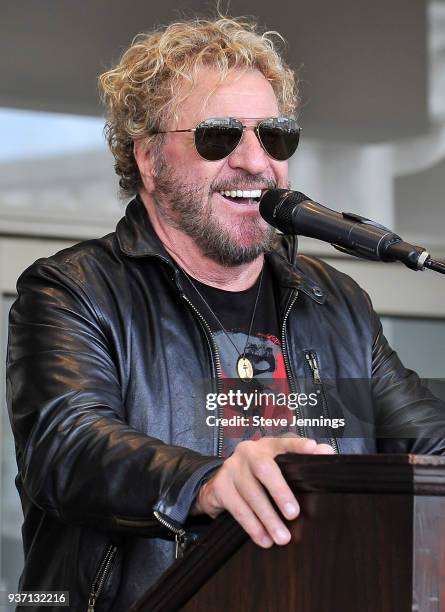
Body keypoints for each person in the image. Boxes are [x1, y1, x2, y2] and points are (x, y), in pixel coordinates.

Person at [6, 14, 445, 612]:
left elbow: (426, 442)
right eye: (218, 136)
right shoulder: (73, 290)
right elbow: (69, 449)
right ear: (149, 158)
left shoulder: (335, 303)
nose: (254, 161)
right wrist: (209, 482)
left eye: (275, 136)